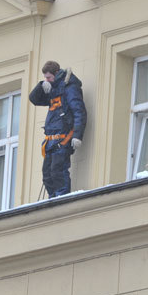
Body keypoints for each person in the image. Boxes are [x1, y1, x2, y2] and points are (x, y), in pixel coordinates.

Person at [29, 61, 87, 198]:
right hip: (51, 140)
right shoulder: (52, 88)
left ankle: (61, 199)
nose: (47, 80)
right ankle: (53, 199)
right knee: (47, 175)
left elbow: (79, 111)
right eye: (45, 78)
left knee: (58, 172)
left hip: (64, 137)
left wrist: (77, 135)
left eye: (48, 77)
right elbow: (34, 99)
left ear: (56, 73)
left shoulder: (70, 88)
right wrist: (41, 86)